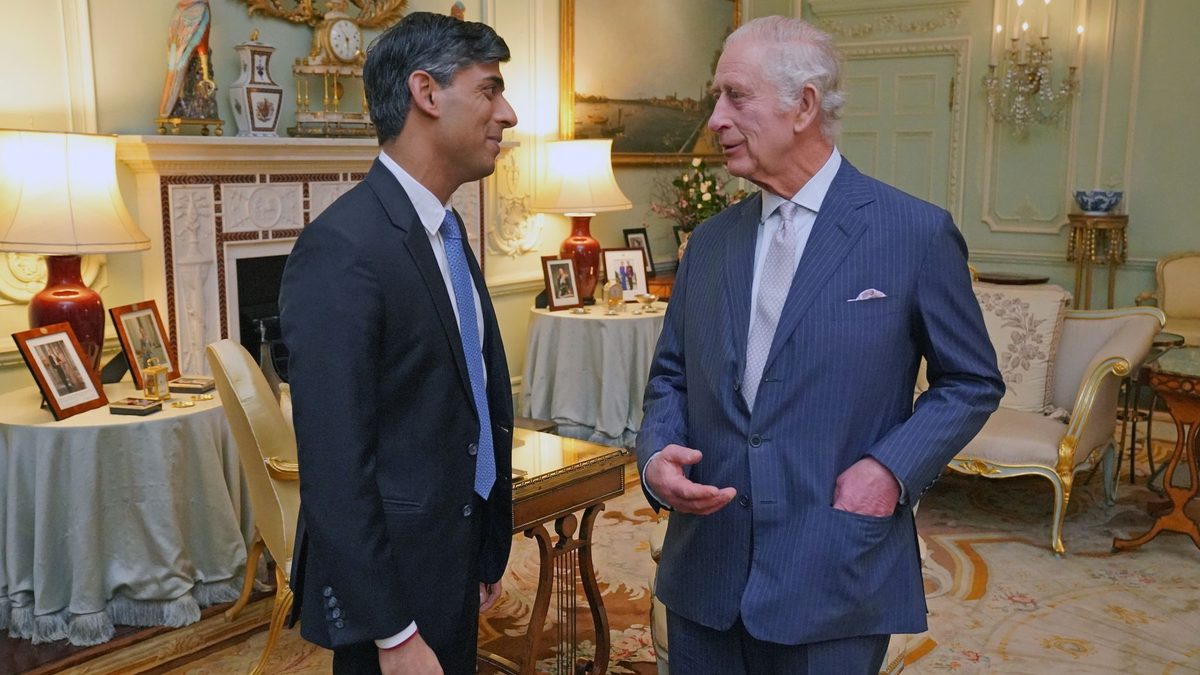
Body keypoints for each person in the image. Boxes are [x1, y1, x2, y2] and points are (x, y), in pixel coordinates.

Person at [637, 16, 1004, 675]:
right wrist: (658, 454)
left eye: (735, 96)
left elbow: (972, 380)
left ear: (803, 104)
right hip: (705, 572)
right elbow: (672, 375)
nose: (715, 118)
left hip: (833, 565)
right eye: (715, 97)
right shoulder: (711, 243)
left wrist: (890, 468)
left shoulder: (913, 233)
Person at [279, 12, 517, 675]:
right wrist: (392, 631)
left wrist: (481, 548)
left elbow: (462, 400)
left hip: (451, 555)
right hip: (390, 590)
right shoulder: (342, 248)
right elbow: (334, 468)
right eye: (491, 89)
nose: (510, 113)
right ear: (427, 93)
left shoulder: (445, 229)